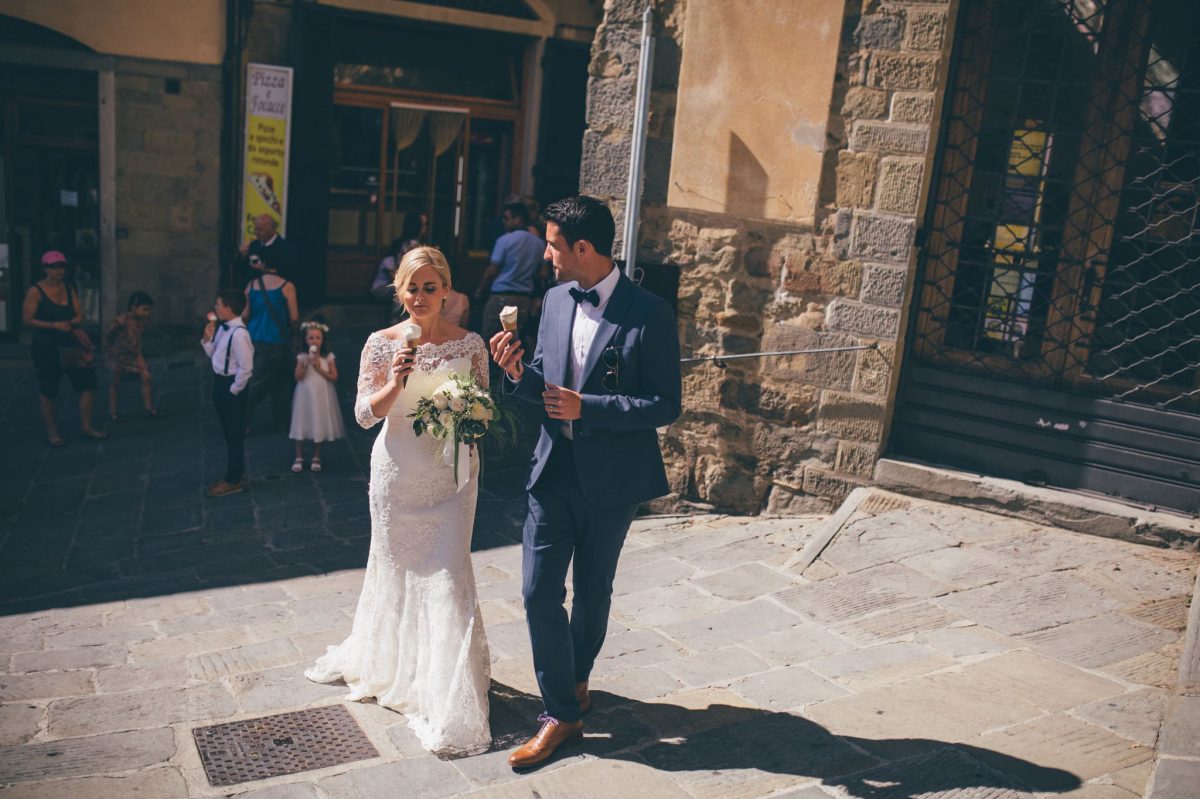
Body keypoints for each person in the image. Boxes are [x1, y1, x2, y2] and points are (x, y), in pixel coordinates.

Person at [489, 195, 682, 768]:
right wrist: (518, 373)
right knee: (536, 592)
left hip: (611, 481)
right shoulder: (551, 300)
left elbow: (664, 404)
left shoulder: (649, 312)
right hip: (552, 472)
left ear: (581, 248)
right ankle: (561, 713)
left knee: (594, 591)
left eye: (551, 243)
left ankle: (574, 683)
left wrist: (589, 407)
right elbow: (548, 386)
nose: (544, 253)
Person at [305, 246, 492, 757]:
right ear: (399, 291)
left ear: (447, 290)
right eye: (412, 288)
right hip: (397, 475)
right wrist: (397, 379)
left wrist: (465, 418)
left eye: (431, 287)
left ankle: (448, 687)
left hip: (453, 478)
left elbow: (483, 410)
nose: (422, 297)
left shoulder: (472, 344)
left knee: (450, 575)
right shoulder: (380, 343)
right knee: (396, 567)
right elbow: (366, 414)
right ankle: (398, 668)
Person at [22, 250, 106, 446]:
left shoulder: (68, 288)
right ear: (45, 268)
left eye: (61, 266)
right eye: (53, 267)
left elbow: (79, 314)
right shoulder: (36, 291)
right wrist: (54, 325)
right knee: (49, 388)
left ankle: (86, 426)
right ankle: (53, 432)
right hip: (46, 346)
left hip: (70, 344)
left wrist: (71, 322)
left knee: (88, 384)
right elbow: (27, 320)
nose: (58, 270)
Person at [202, 290, 254, 498]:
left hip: (232, 387)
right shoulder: (223, 329)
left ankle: (233, 479)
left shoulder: (240, 334)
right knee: (228, 433)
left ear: (228, 309)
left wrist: (232, 391)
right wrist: (207, 339)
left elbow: (246, 369)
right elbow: (215, 355)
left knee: (234, 434)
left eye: (218, 304)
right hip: (220, 382)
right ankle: (235, 473)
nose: (215, 308)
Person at [243, 248, 298, 432]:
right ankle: (241, 421)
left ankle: (283, 420)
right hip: (275, 341)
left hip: (252, 339)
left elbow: (245, 315)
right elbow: (294, 317)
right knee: (261, 383)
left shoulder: (251, 285)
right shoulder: (287, 286)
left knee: (273, 379)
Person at [477, 202, 545, 341]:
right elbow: (543, 273)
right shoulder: (539, 243)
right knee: (512, 342)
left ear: (518, 219)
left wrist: (480, 289)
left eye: (506, 218)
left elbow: (492, 270)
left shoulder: (505, 240)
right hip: (523, 299)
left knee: (489, 340)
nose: (503, 222)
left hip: (501, 296)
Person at [289, 317, 345, 473]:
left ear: (323, 339)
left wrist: (320, 368)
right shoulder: (302, 357)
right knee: (302, 419)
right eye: (311, 337)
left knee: (319, 419)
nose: (314, 341)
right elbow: (297, 377)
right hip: (305, 393)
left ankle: (316, 455)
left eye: (318, 338)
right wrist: (306, 364)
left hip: (321, 393)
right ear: (305, 339)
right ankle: (299, 456)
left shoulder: (328, 357)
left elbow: (334, 377)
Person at [105, 291, 161, 421]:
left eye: (148, 310)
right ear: (134, 308)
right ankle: (113, 412)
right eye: (144, 310)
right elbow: (109, 332)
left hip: (135, 353)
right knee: (115, 382)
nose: (147, 313)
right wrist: (111, 346)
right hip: (118, 354)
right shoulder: (122, 320)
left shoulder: (143, 321)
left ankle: (149, 409)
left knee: (146, 376)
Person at [370, 212, 427, 305]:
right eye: (423, 224)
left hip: (397, 284)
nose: (425, 227)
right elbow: (394, 280)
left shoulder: (412, 244)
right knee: (403, 291)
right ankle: (397, 318)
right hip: (383, 288)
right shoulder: (390, 260)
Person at [238, 214, 295, 282]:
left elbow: (287, 273)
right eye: (255, 230)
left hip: (274, 289)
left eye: (260, 230)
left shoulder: (285, 248)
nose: (256, 233)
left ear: (271, 230)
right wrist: (242, 256)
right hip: (253, 288)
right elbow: (244, 270)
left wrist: (265, 270)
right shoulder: (254, 245)